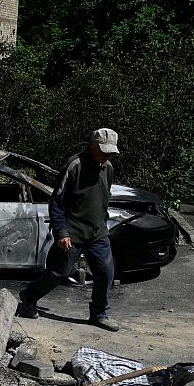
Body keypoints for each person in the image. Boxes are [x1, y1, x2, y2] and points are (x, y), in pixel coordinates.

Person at [18, 128, 120, 332]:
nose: (107, 155)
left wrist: (103, 221)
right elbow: (56, 200)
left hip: (98, 231)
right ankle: (29, 297)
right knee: (59, 272)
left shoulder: (107, 168)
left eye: (110, 152)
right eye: (103, 150)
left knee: (106, 272)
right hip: (72, 231)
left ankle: (99, 313)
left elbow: (103, 196)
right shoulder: (74, 165)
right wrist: (61, 232)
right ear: (92, 145)